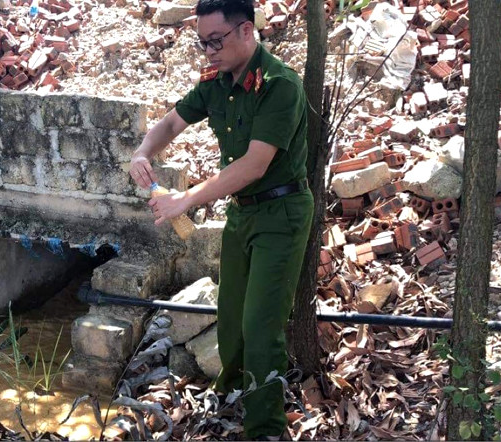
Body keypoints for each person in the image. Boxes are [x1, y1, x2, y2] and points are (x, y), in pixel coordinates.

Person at [128, 0, 314, 438]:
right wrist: (142, 152)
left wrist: (184, 200)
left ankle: (264, 426)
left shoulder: (278, 85)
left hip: (281, 212)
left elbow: (254, 164)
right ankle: (233, 391)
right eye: (202, 43)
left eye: (216, 41)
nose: (208, 51)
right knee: (230, 314)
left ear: (246, 31)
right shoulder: (218, 82)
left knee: (260, 324)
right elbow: (172, 123)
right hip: (242, 212)